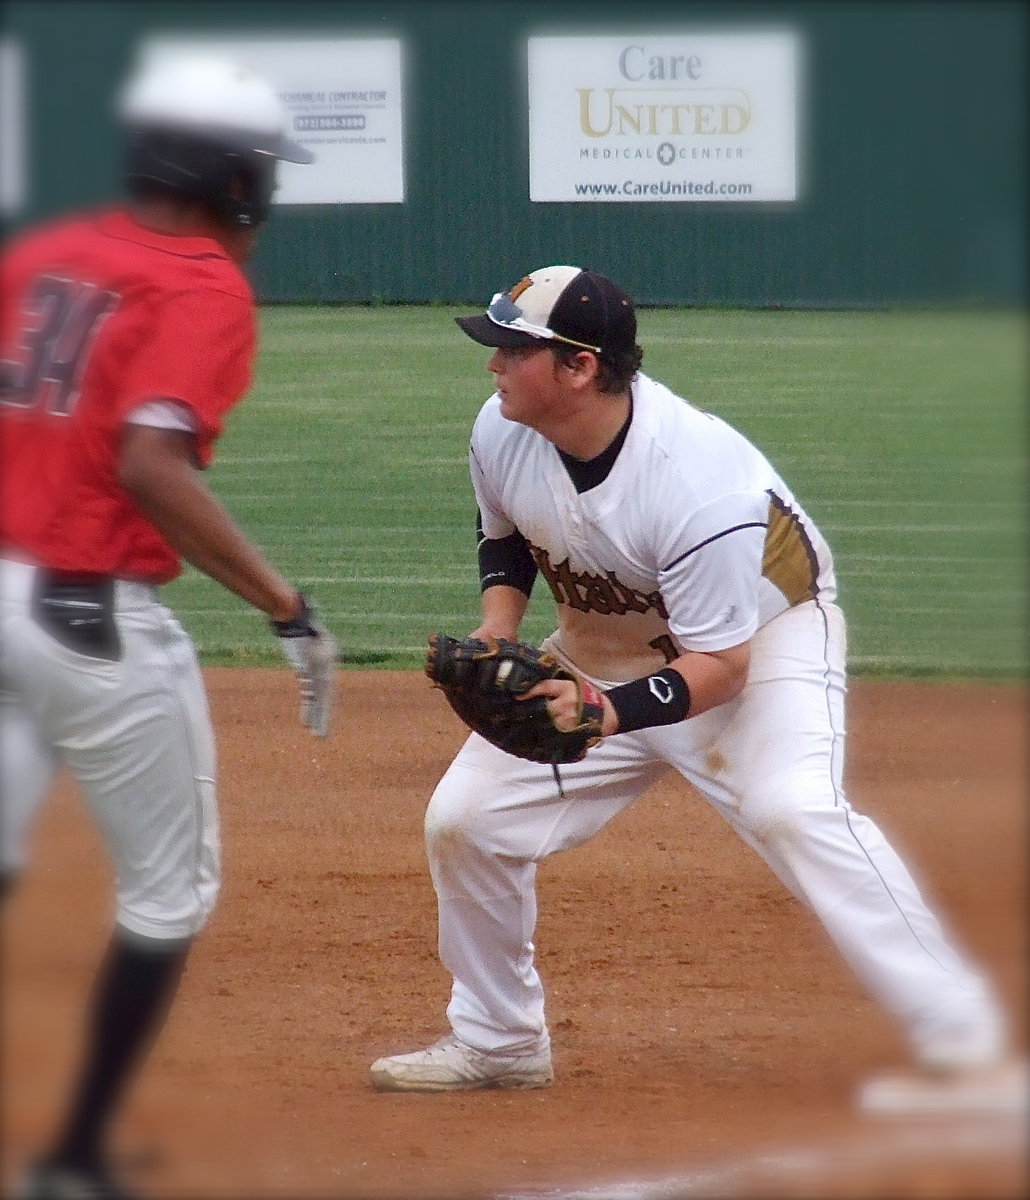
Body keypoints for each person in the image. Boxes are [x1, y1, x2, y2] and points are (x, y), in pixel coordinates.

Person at [369, 264, 1021, 1110]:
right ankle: (499, 1043)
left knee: (795, 809)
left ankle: (969, 1051)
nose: (492, 364)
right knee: (467, 822)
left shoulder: (699, 483)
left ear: (580, 368)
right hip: (604, 645)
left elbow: (722, 666)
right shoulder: (503, 428)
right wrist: (498, 627)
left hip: (762, 639)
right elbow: (509, 540)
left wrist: (605, 712)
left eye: (512, 349)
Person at [1, 55, 336, 1199]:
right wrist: (283, 605)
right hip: (85, 616)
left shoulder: (41, 255)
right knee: (167, 896)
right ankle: (75, 1160)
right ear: (230, 176)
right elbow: (150, 462)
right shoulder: (200, 286)